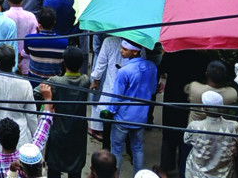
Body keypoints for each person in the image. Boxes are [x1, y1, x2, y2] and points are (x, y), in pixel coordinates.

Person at [102, 40, 158, 174]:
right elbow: (153, 88)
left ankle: (115, 175)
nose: (121, 51)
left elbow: (117, 96)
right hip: (141, 116)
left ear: (135, 51)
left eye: (125, 49)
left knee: (116, 149)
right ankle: (138, 174)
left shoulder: (124, 71)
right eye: (121, 48)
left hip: (123, 117)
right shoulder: (152, 67)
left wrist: (110, 111)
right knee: (137, 148)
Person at [45, 47, 90, 178]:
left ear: (63, 62)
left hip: (58, 131)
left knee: (54, 168)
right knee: (75, 169)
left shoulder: (55, 82)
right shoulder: (85, 81)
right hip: (78, 132)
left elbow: (38, 91)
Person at [184, 90, 238, 178]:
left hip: (197, 174)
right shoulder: (234, 126)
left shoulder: (194, 126)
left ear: (205, 108)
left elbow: (186, 141)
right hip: (224, 174)